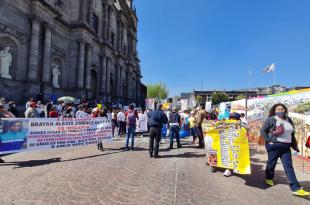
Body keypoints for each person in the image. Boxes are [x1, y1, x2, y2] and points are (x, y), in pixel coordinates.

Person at [260, 103, 310, 196]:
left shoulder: (288, 119)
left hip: (286, 146)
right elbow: (263, 131)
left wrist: (294, 146)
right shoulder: (271, 119)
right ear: (274, 110)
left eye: (282, 109)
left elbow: (291, 133)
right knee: (271, 163)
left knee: (288, 166)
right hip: (274, 145)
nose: (280, 111)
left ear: (285, 110)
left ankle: (295, 188)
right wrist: (269, 141)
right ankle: (268, 177)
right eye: (278, 109)